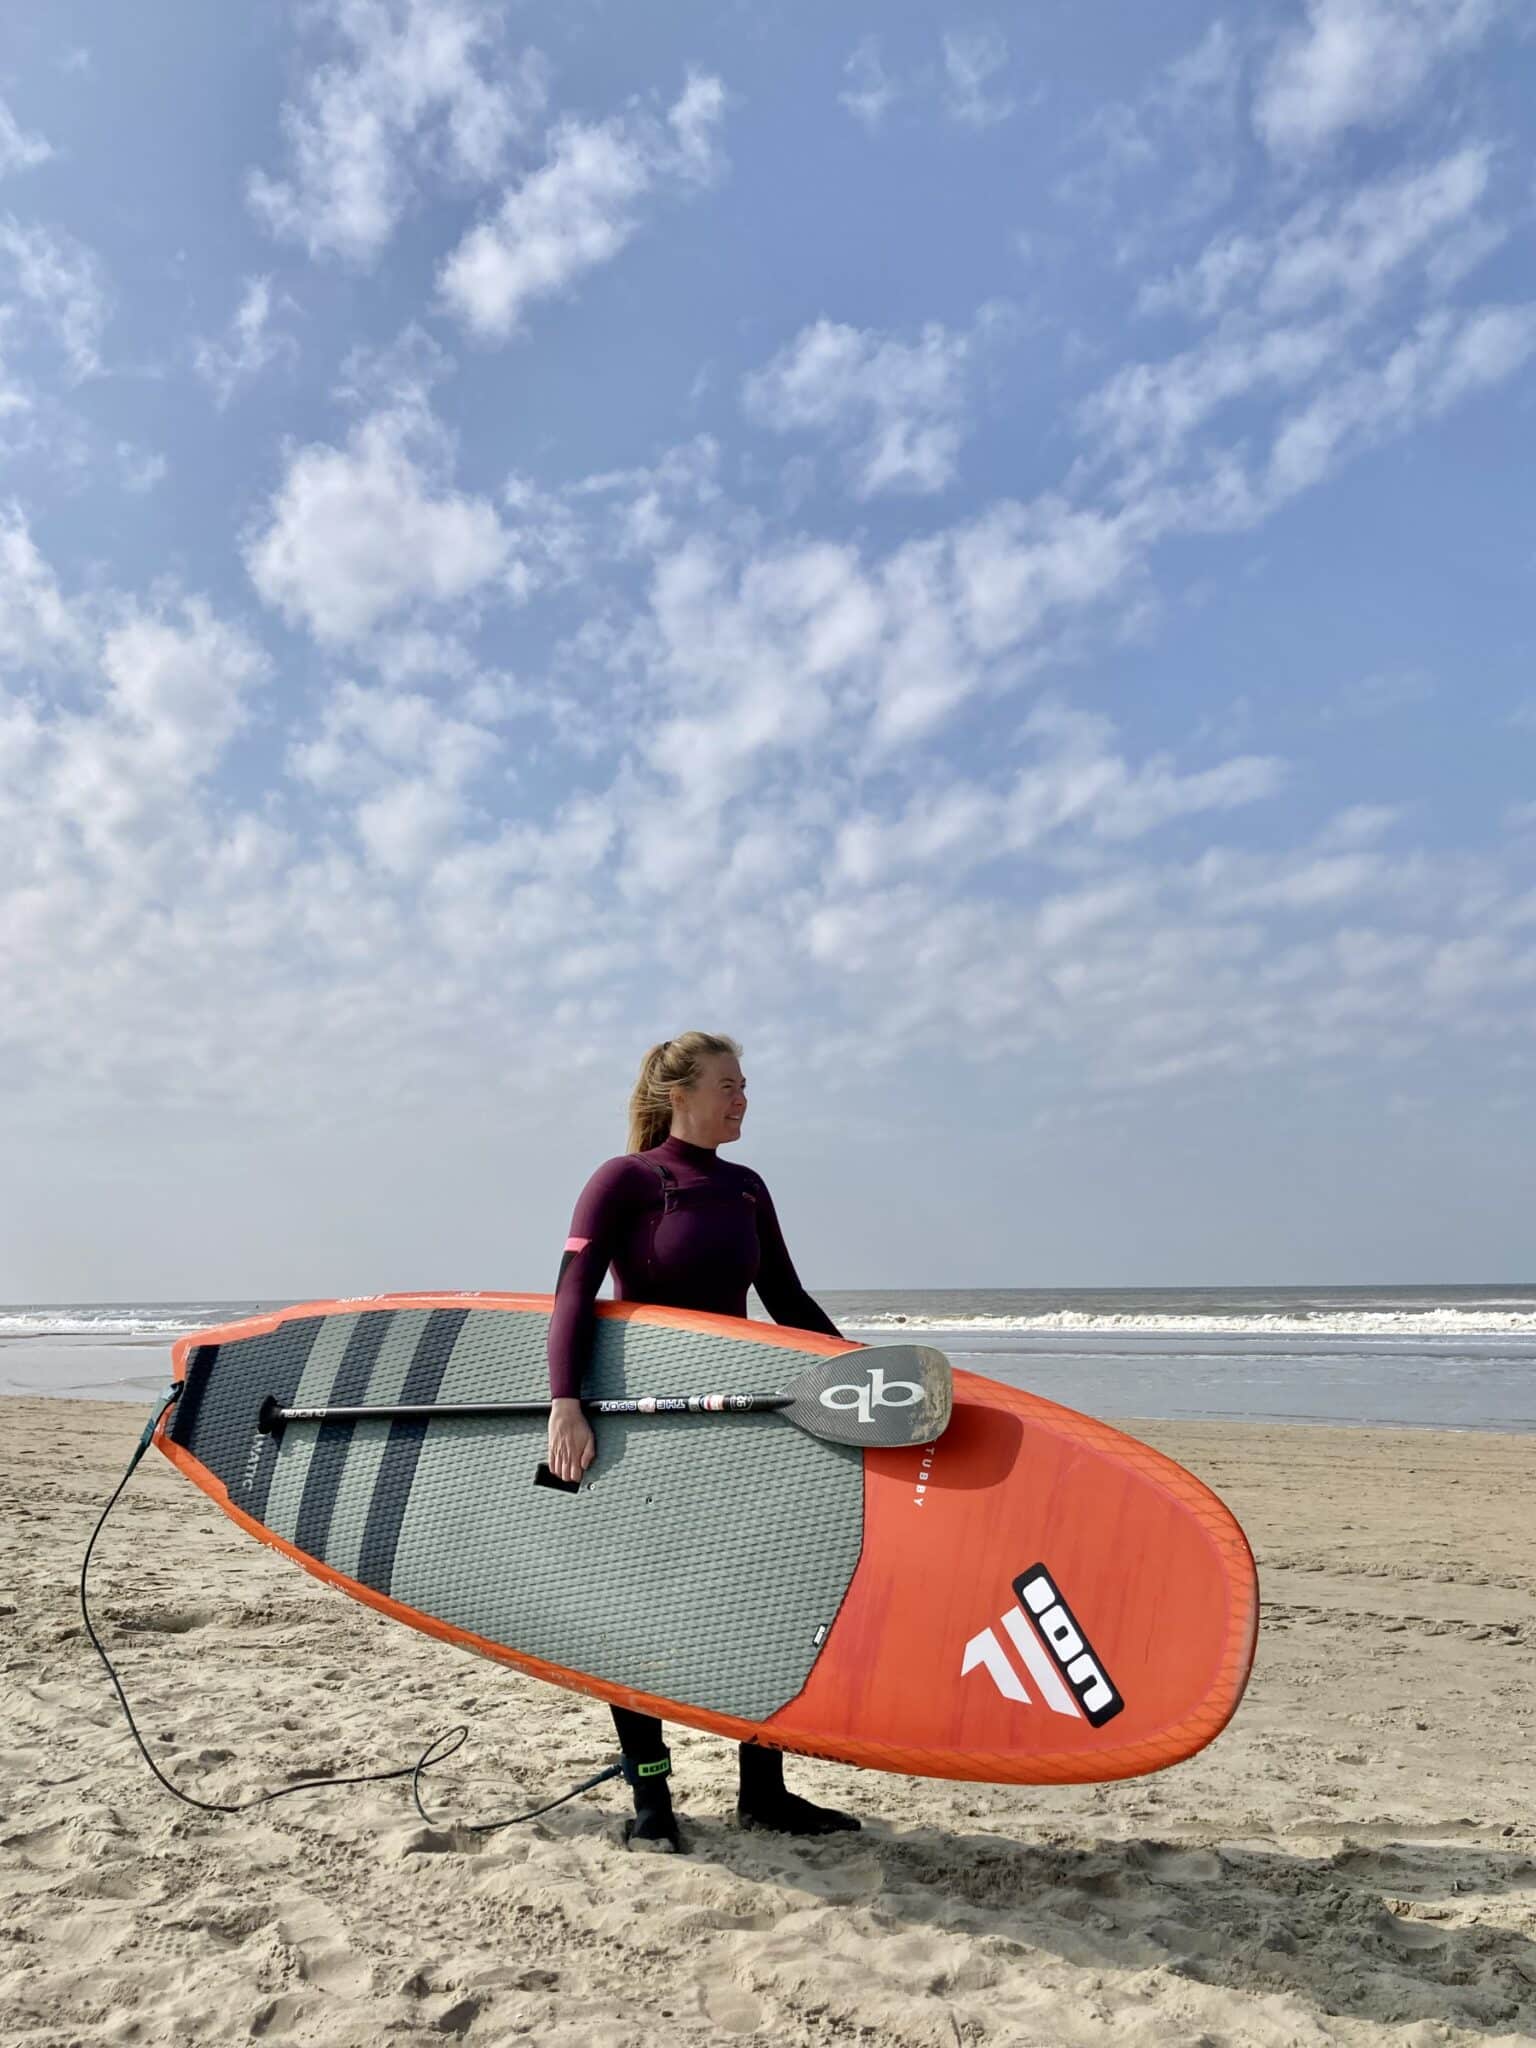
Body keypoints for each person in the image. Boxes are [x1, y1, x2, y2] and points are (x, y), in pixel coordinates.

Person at [546, 1031, 862, 1851]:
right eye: (729, 1083)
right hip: (648, 1425)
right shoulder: (626, 1180)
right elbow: (574, 1293)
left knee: (766, 1600)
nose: (742, 1097)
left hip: (739, 1424)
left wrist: (862, 1371)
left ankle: (765, 1790)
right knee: (637, 1611)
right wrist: (565, 1402)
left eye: (746, 1084)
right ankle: (651, 1798)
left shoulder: (748, 1188)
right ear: (679, 1091)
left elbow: (785, 1297)